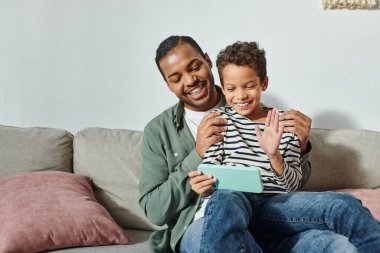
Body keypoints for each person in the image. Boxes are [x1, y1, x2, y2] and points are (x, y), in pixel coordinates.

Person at [138, 35, 380, 253]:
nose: (190, 80)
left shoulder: (261, 112)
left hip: (270, 210)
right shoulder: (158, 131)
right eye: (176, 77)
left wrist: (298, 146)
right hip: (206, 222)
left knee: (337, 239)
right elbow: (155, 211)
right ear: (168, 85)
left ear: (207, 61)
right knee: (226, 200)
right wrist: (198, 154)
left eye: (195, 67)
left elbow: (293, 183)